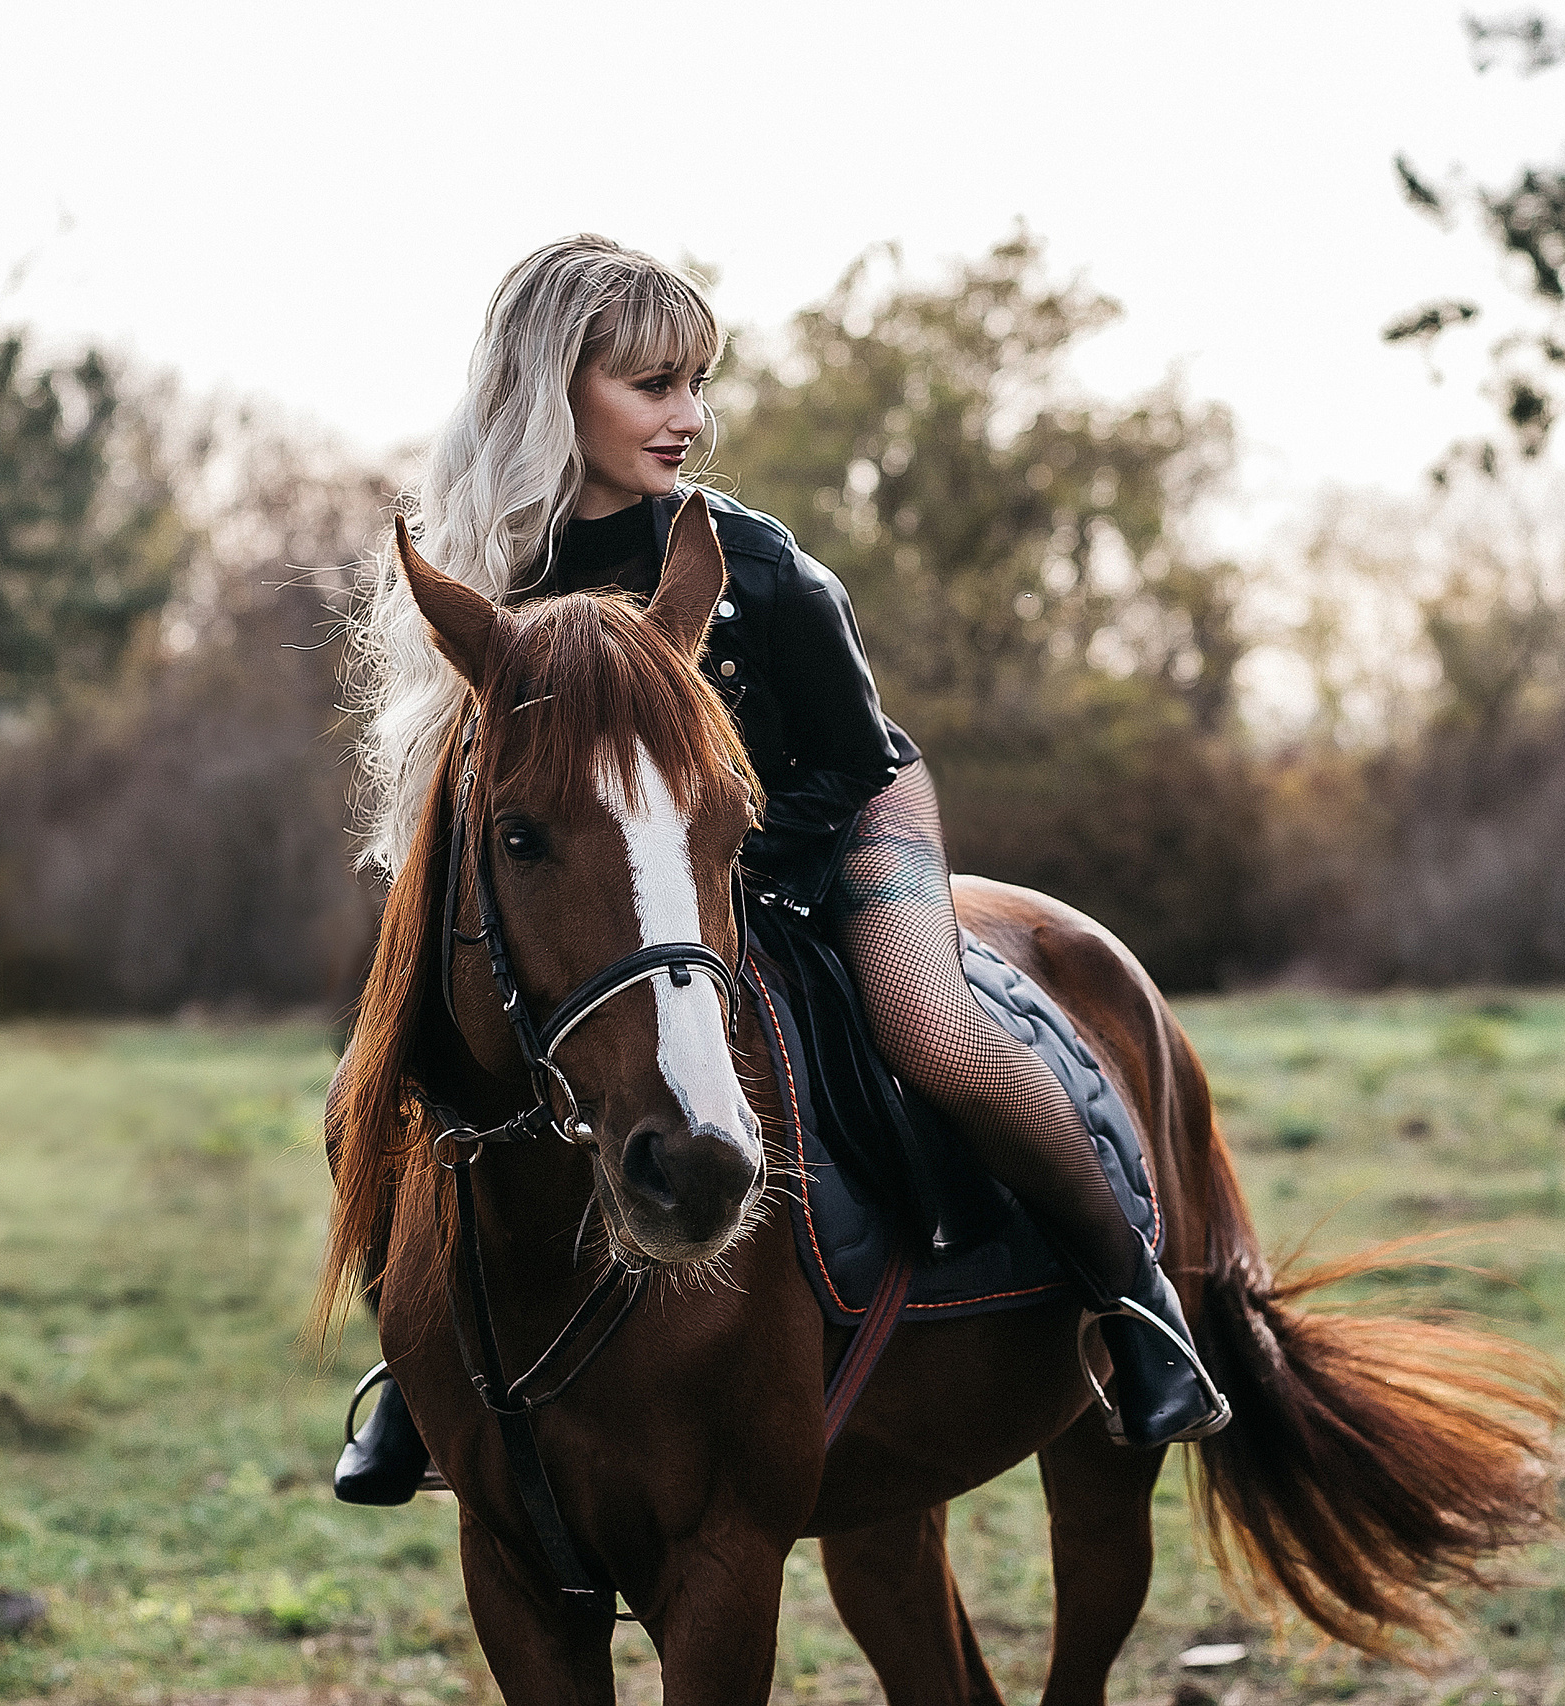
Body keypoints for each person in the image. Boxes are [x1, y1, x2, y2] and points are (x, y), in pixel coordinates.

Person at [333, 235, 1225, 1503]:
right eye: (653, 385)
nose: (689, 417)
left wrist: (719, 875)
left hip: (841, 815)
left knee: (935, 1035)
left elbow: (851, 760)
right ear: (550, 388)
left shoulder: (753, 565)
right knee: (366, 1084)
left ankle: (1136, 1310)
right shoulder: (490, 575)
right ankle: (416, 1381)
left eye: (698, 383)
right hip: (628, 873)